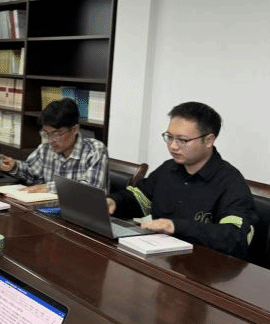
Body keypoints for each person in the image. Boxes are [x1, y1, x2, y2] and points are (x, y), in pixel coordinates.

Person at [107, 101, 256, 259]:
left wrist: (175, 226)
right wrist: (114, 202)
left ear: (209, 140)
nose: (173, 146)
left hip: (205, 266)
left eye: (182, 140)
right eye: (169, 137)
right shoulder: (168, 169)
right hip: (160, 259)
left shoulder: (231, 182)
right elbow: (139, 199)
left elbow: (235, 236)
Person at [0, 97, 108, 193]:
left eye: (57, 134)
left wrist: (48, 188)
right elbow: (31, 173)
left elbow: (90, 189)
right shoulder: (45, 149)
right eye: (47, 134)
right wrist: (14, 166)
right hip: (49, 208)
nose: (51, 140)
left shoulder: (94, 150)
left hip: (81, 209)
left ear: (75, 129)